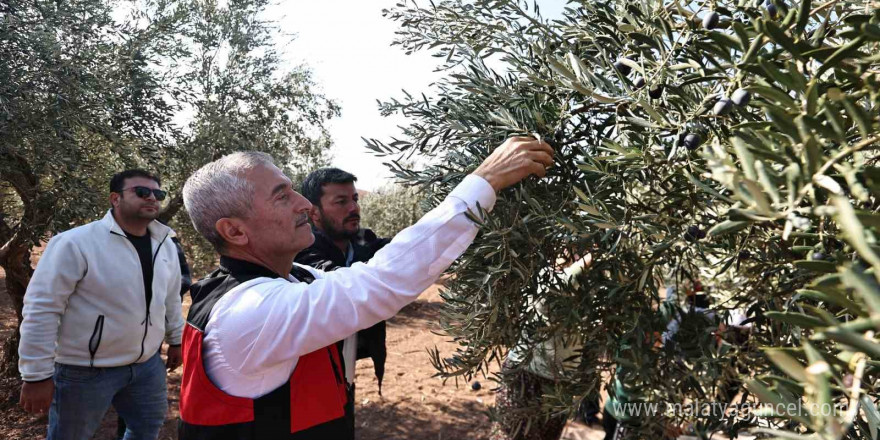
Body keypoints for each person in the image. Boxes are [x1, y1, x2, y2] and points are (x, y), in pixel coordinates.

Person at [178, 136, 553, 439]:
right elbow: (381, 283)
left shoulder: (295, 276)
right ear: (235, 231)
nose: (305, 205)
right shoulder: (248, 310)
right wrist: (483, 182)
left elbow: (382, 270)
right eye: (281, 195)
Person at [18, 169, 185, 440]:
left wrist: (176, 339)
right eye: (142, 192)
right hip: (84, 371)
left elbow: (171, 297)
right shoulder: (75, 243)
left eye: (158, 193)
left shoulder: (163, 244)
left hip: (146, 366)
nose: (152, 198)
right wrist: (36, 375)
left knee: (146, 430)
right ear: (115, 198)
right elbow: (42, 308)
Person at [294, 168, 390, 432]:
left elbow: (401, 249)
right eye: (341, 201)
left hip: (345, 368)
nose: (353, 208)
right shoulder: (302, 250)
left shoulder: (362, 241)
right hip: (312, 373)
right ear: (314, 213)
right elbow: (339, 283)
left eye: (355, 199)